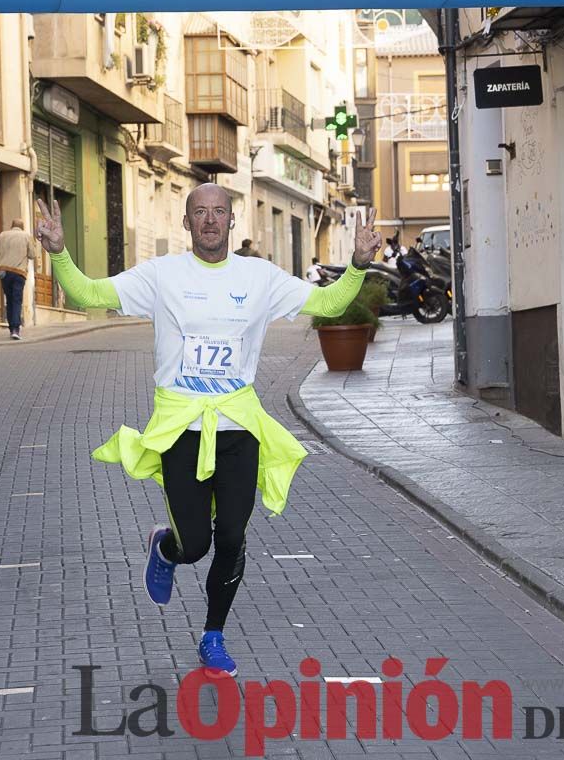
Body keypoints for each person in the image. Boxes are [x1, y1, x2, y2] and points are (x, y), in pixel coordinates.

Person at [35, 185, 381, 676]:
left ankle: (212, 635)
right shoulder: (162, 276)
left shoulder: (259, 277)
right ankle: (168, 548)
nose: (210, 220)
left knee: (234, 536)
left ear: (232, 221)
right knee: (195, 544)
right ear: (186, 223)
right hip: (182, 427)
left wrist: (359, 264)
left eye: (220, 211)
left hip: (239, 427)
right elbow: (88, 293)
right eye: (200, 212)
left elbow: (328, 303)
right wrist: (60, 254)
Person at [0, 217, 37, 340]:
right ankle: (16, 329)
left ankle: (11, 327)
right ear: (22, 227)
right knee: (17, 299)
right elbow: (32, 255)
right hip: (19, 273)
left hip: (4, 271)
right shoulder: (26, 236)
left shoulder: (2, 235)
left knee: (9, 299)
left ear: (12, 226)